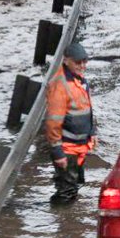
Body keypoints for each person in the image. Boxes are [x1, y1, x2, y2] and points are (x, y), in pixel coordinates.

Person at [45, 42, 97, 205]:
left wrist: (92, 132)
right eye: (78, 62)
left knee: (73, 187)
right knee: (66, 191)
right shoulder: (60, 86)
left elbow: (87, 108)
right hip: (68, 149)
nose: (82, 66)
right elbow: (53, 122)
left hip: (79, 146)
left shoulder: (79, 80)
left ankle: (67, 223)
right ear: (66, 61)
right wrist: (58, 153)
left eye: (84, 61)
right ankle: (64, 224)